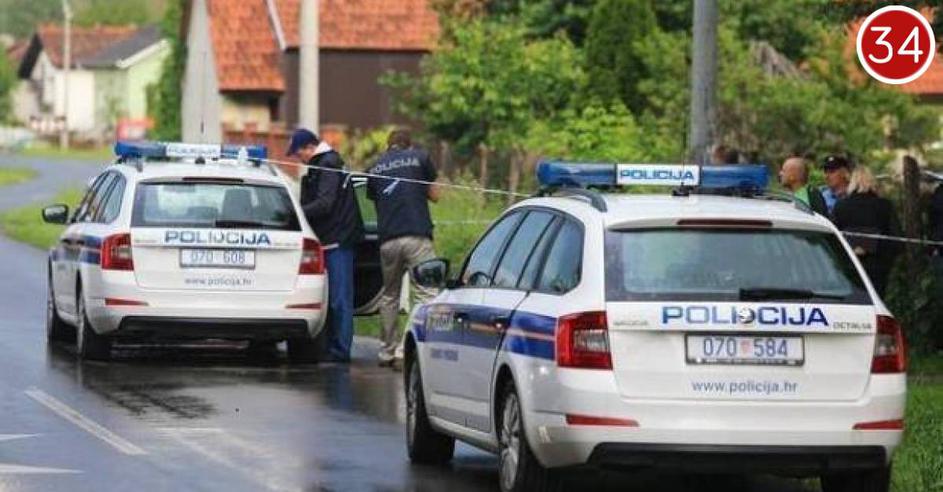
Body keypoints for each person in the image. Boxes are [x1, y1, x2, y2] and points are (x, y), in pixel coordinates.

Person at [287, 129, 364, 362]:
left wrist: (295, 212)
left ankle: (340, 350)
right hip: (331, 240)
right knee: (333, 299)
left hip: (337, 241)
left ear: (309, 147)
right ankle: (333, 347)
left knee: (339, 300)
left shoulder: (328, 164)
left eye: (298, 153)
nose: (298, 158)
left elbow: (325, 203)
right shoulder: (324, 164)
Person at [366, 129, 441, 367]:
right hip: (417, 236)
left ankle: (386, 351)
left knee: (389, 296)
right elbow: (435, 195)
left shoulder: (373, 167)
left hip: (388, 240)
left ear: (388, 146)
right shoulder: (420, 157)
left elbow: (377, 199)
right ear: (409, 145)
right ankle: (404, 351)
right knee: (425, 293)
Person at [832, 166, 902, 297]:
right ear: (872, 182)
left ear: (852, 182)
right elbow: (897, 239)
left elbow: (833, 238)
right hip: (878, 266)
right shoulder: (884, 206)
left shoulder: (841, 206)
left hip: (850, 265)